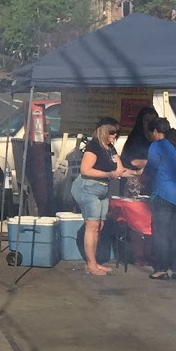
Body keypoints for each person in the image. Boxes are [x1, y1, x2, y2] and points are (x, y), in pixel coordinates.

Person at [144, 118, 176, 280]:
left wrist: (140, 177)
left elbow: (151, 168)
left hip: (164, 195)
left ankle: (161, 269)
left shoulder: (157, 146)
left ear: (156, 132)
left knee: (162, 234)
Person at [71, 117, 121, 277]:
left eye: (116, 134)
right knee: (92, 226)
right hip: (89, 187)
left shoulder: (110, 148)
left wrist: (137, 172)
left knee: (100, 226)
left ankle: (94, 262)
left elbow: (120, 169)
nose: (114, 136)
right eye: (112, 133)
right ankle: (91, 264)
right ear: (104, 131)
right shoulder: (94, 146)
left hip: (103, 189)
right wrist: (108, 173)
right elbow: (85, 170)